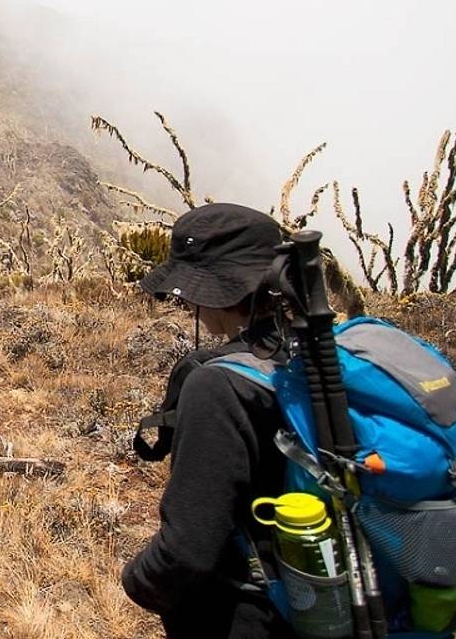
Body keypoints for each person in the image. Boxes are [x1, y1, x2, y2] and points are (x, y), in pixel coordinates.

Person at [121, 203, 296, 639]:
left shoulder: (218, 386)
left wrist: (137, 580)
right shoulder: (321, 358)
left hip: (247, 613)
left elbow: (187, 551)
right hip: (324, 600)